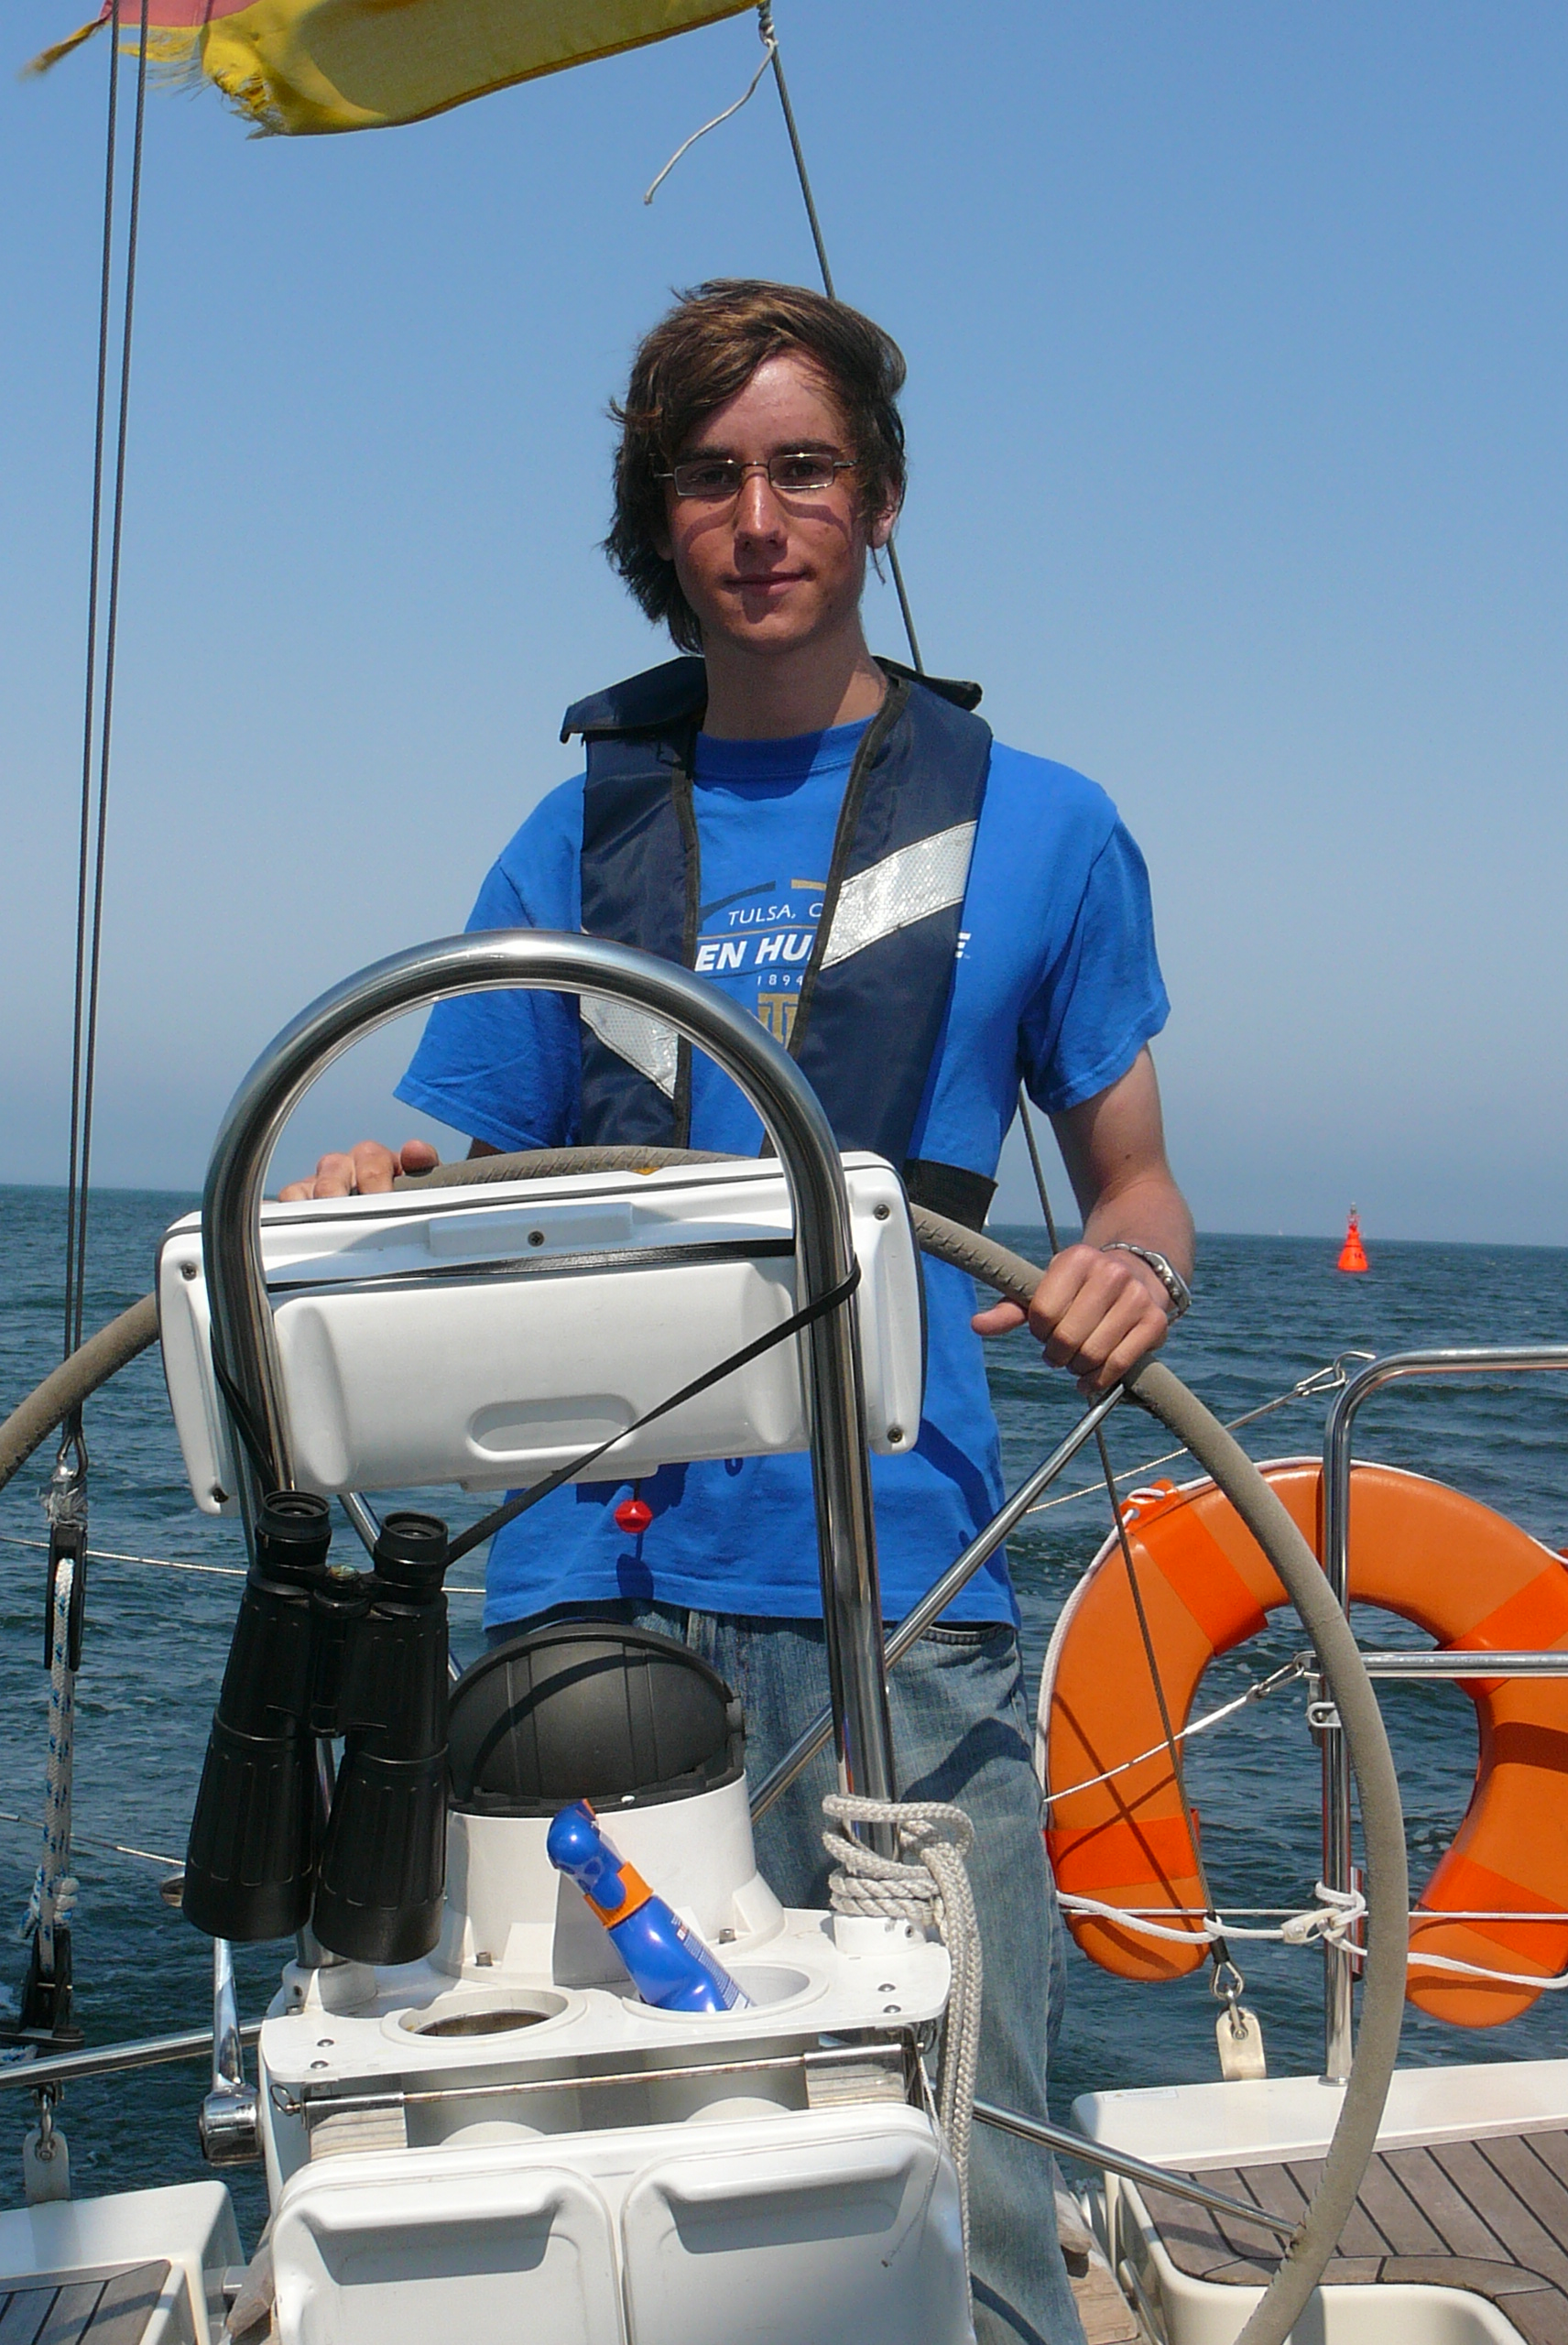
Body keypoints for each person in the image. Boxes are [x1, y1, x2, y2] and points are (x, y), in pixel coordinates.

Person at [283, 279, 1193, 2345]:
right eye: (710, 476)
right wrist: (391, 1184)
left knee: (974, 2148)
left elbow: (1140, 1184)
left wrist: (1131, 1262)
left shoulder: (1048, 829)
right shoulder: (572, 833)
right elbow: (492, 1168)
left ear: (880, 496)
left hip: (900, 1589)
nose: (759, 518)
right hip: (581, 1595)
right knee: (573, 2140)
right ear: (658, 517)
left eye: (803, 467)